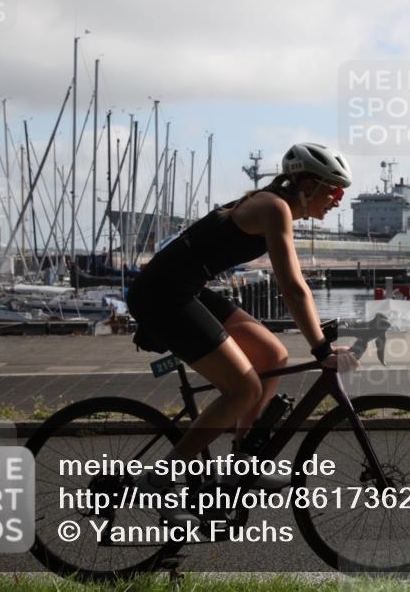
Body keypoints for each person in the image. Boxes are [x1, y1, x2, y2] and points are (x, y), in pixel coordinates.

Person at [126, 142, 359, 526]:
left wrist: (319, 340)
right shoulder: (273, 207)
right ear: (306, 184)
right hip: (162, 294)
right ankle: (159, 478)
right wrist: (321, 348)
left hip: (184, 287)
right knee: (245, 389)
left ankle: (242, 463)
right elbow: (292, 286)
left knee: (273, 355)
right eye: (333, 190)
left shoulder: (272, 205)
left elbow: (294, 288)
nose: (337, 200)